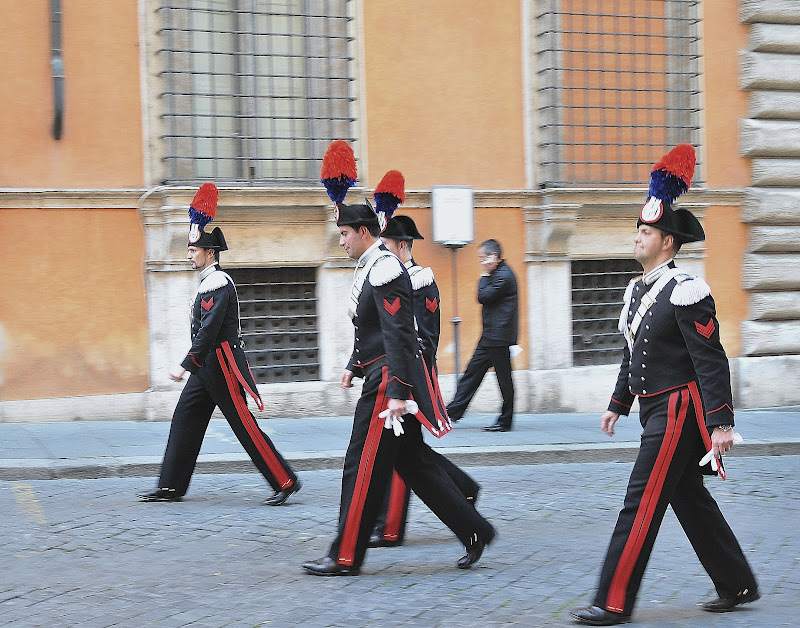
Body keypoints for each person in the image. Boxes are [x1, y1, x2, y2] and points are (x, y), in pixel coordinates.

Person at [571, 144, 759, 625]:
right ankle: (737, 582)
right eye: (638, 229)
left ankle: (612, 601)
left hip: (679, 411)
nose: (637, 236)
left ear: (668, 242)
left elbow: (711, 360)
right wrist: (619, 401)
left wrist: (720, 423)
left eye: (646, 230)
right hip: (654, 409)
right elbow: (633, 352)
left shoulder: (687, 290)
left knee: (642, 500)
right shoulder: (637, 290)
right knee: (687, 497)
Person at [303, 154, 495, 575]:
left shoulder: (385, 267)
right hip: (379, 371)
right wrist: (355, 363)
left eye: (344, 233)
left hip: (389, 379)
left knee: (361, 464)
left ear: (363, 232)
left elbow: (399, 334)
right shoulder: (371, 265)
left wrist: (395, 392)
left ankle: (345, 554)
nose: (340, 241)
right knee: (413, 463)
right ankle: (474, 530)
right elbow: (372, 328)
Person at [138, 183, 301, 506]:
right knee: (185, 416)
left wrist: (184, 365)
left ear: (209, 253)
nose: (188, 255)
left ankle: (285, 480)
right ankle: (170, 486)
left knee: (242, 424)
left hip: (222, 363)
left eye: (193, 251)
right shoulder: (207, 283)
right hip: (207, 365)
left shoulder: (217, 283)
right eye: (188, 250)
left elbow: (208, 332)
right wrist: (194, 365)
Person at [369, 214, 480, 548]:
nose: (380, 251)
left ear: (402, 246)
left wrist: (405, 380)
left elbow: (425, 337)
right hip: (393, 375)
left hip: (410, 378)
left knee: (403, 451)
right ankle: (463, 491)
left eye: (385, 245)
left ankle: (389, 526)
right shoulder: (388, 274)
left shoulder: (419, 280)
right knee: (410, 451)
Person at [447, 239, 519, 432]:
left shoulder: (503, 276)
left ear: (493, 257)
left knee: (503, 380)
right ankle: (452, 412)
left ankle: (505, 421)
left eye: (483, 258)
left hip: (498, 337)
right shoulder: (499, 274)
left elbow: (482, 296)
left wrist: (485, 274)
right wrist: (487, 274)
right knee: (472, 374)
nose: (481, 262)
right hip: (491, 336)